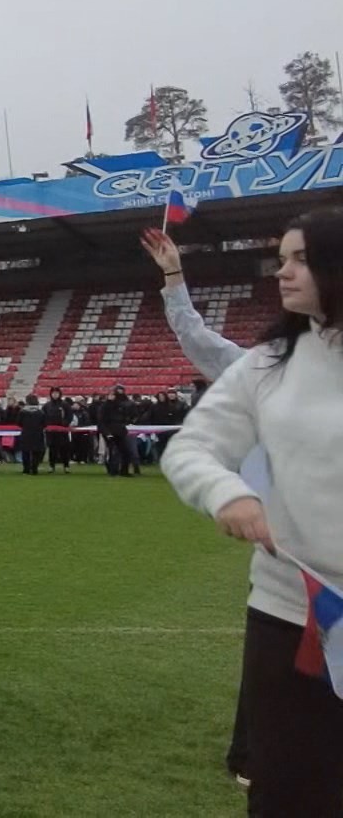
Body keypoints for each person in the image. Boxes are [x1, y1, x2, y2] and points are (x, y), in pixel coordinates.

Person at [161, 207, 343, 814]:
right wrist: (227, 492)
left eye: (299, 259)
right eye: (281, 259)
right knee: (290, 789)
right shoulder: (266, 364)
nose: (282, 273)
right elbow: (191, 447)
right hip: (295, 613)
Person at [143, 226, 276, 791]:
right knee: (274, 647)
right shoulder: (267, 369)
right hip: (286, 547)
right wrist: (174, 275)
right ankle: (251, 753)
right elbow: (197, 338)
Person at [15, 395, 48, 475]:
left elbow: (18, 423)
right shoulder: (41, 412)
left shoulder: (22, 412)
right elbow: (45, 423)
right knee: (36, 452)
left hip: (26, 434)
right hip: (38, 434)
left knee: (25, 452)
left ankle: (26, 469)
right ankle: (34, 469)